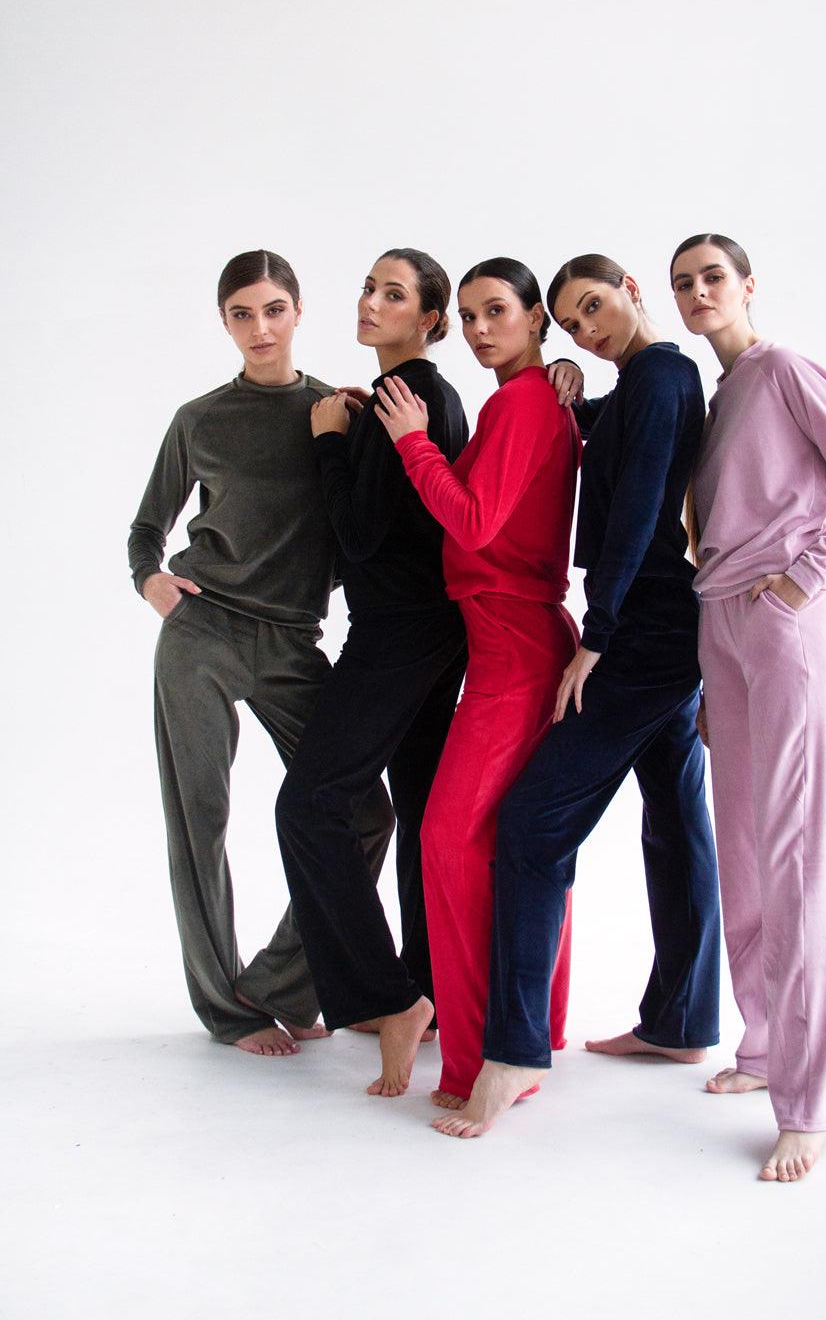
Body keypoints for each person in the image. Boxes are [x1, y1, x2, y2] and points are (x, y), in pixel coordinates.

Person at [436, 254, 721, 1138]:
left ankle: (516, 1051)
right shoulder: (643, 384)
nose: (588, 331)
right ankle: (682, 1021)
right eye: (572, 323)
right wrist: (573, 391)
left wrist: (596, 637)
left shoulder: (663, 375)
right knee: (674, 821)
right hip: (666, 631)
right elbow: (615, 440)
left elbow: (636, 510)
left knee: (532, 825)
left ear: (632, 288)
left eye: (594, 307)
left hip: (643, 637)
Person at [128, 249, 394, 1055]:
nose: (260, 328)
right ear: (225, 322)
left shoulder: (334, 411)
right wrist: (152, 581)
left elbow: (358, 530)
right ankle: (228, 1010)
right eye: (242, 314)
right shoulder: (199, 418)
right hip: (201, 635)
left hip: (291, 644)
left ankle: (281, 984)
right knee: (199, 821)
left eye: (274, 309)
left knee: (364, 812)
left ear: (298, 312)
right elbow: (147, 528)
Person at [671, 232, 826, 1182]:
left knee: (796, 853)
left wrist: (806, 578)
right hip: (719, 622)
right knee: (744, 850)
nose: (698, 293)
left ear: (748, 285)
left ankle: (810, 1104)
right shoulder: (717, 396)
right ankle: (764, 1046)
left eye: (712, 277)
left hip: (784, 619)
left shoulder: (785, 369)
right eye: (683, 284)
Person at [374, 257, 581, 1110]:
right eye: (466, 316)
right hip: (512, 642)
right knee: (510, 843)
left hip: (515, 647)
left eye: (496, 310)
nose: (479, 329)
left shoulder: (523, 402)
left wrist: (412, 442)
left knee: (448, 841)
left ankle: (475, 1063)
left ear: (536, 318)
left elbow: (473, 519)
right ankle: (535, 1032)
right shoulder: (531, 400)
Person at [275, 248, 468, 1099]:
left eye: (393, 295)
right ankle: (430, 992)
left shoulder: (404, 397)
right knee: (419, 809)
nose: (370, 303)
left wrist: (329, 442)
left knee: (310, 803)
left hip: (398, 631)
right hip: (435, 627)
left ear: (428, 320)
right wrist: (360, 432)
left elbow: (357, 538)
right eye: (368, 288)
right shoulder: (425, 395)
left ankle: (389, 999)